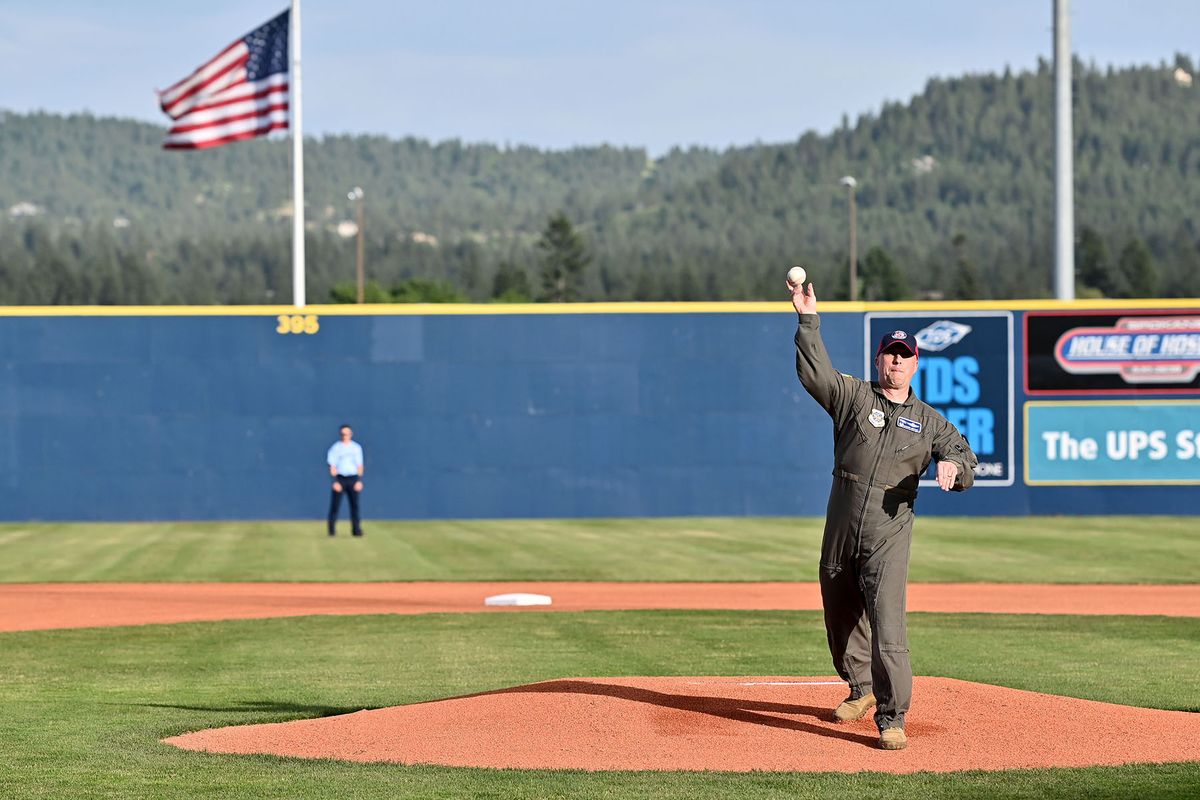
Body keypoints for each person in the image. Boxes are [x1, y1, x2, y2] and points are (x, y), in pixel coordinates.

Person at [790, 279, 977, 751]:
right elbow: (817, 377)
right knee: (838, 612)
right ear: (879, 359)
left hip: (888, 531)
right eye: (889, 353)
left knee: (887, 624)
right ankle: (861, 687)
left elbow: (961, 454)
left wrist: (955, 467)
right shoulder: (855, 399)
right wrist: (808, 320)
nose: (896, 360)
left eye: (904, 354)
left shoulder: (929, 421)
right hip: (841, 522)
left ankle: (891, 717)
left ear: (916, 363)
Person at [326, 424, 364, 537]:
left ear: (351, 434)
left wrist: (359, 480)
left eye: (347, 434)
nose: (345, 436)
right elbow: (332, 466)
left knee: (355, 506)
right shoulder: (336, 448)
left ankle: (356, 530)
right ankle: (331, 531)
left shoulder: (356, 448)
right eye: (343, 434)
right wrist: (334, 481)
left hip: (353, 478)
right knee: (335, 506)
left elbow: (360, 465)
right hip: (340, 479)